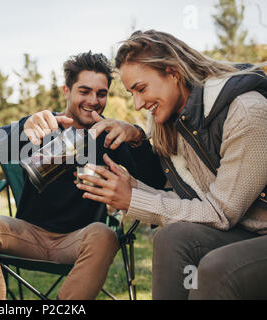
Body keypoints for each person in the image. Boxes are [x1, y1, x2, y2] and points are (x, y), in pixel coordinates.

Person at [76, 30, 267, 299]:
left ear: (173, 72)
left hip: (249, 230)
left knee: (215, 269)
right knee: (170, 238)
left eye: (141, 89)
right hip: (244, 230)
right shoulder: (174, 124)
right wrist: (133, 190)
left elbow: (221, 213)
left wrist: (134, 200)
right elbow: (193, 200)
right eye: (132, 93)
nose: (138, 104)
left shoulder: (247, 112)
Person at [0, 51, 166, 300]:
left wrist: (136, 136)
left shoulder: (108, 134)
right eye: (84, 91)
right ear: (66, 91)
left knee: (104, 235)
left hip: (79, 239)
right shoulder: (44, 125)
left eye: (101, 93)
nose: (93, 100)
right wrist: (23, 129)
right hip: (28, 234)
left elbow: (156, 179)